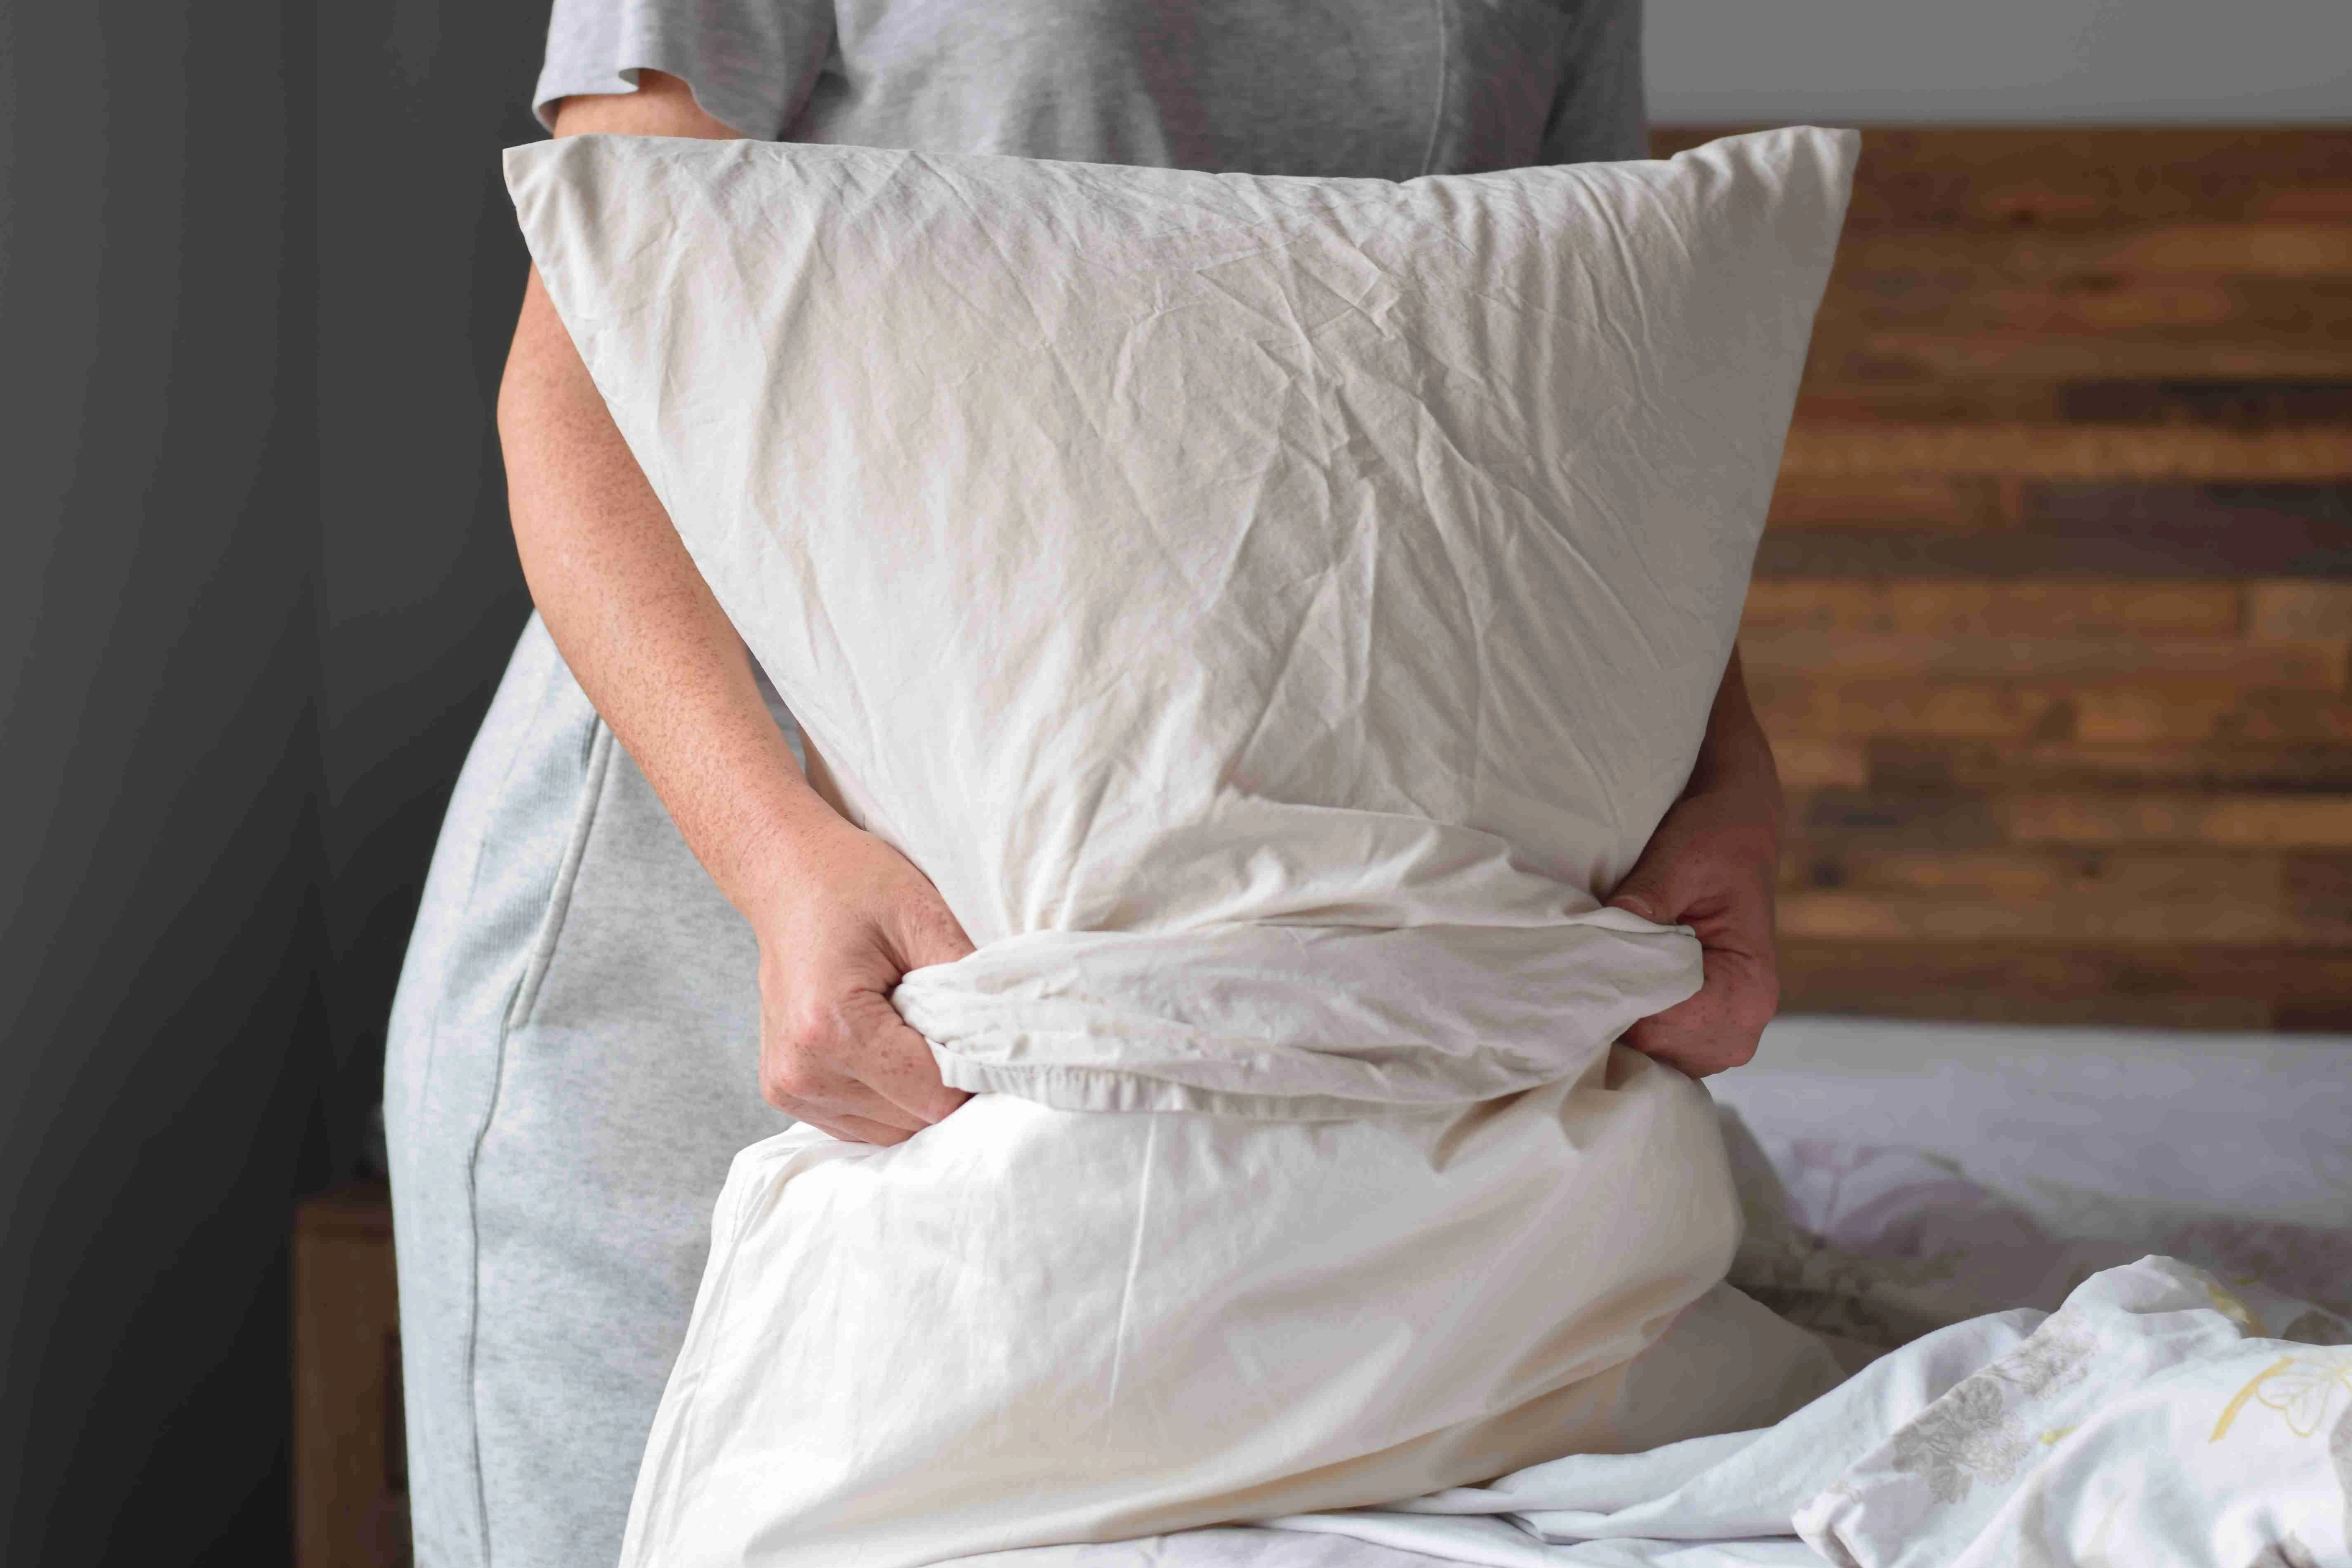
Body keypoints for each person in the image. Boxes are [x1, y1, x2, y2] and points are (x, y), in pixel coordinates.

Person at [384, 6, 1789, 1566]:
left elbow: (1591, 407)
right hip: (753, 899)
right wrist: (777, 859)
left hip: (1279, 960)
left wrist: (1727, 784)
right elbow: (583, 377)